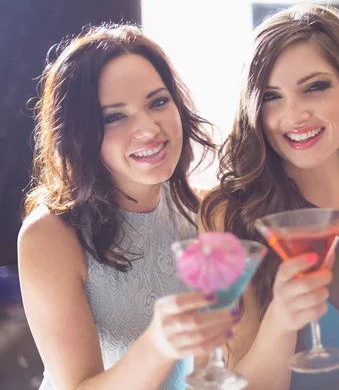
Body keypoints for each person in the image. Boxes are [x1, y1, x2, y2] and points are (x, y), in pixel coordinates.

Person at [200, 4, 339, 390]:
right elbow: (230, 385)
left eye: (315, 87)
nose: (295, 115)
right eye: (272, 96)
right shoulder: (229, 216)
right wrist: (280, 323)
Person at [18, 23, 238, 390]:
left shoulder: (210, 213)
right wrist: (157, 346)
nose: (149, 128)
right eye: (115, 116)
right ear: (81, 132)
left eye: (158, 102)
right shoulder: (50, 236)